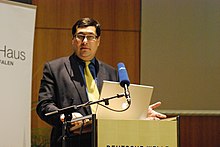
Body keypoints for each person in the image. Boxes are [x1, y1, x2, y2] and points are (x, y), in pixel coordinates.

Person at [36, 17, 166, 147]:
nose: (85, 41)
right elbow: (44, 105)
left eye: (91, 37)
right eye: (80, 36)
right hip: (71, 140)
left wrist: (139, 113)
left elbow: (118, 108)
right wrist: (65, 116)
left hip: (108, 140)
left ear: (98, 41)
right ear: (73, 40)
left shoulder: (111, 73)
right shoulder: (55, 69)